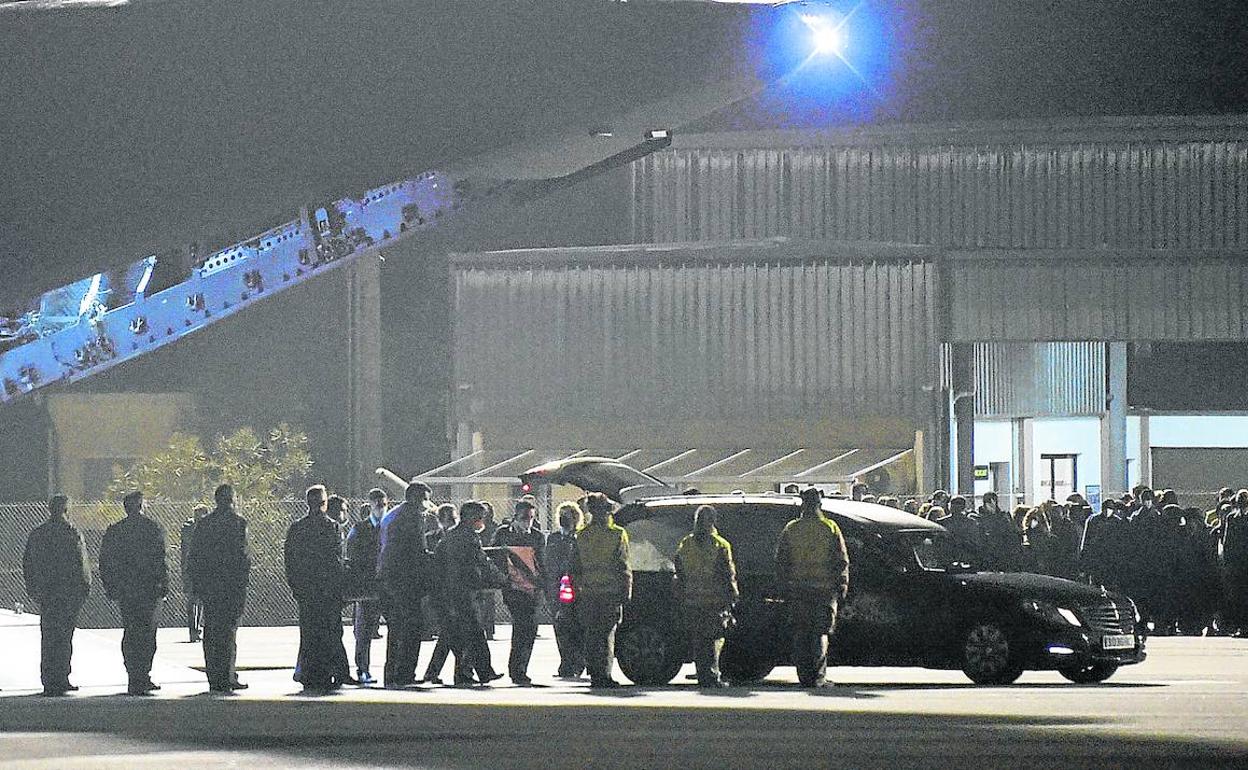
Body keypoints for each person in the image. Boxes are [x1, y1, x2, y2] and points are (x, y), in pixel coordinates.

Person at [775, 488, 850, 689]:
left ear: (802, 504)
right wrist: (842, 585)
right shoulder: (830, 527)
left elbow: (781, 561)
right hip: (823, 591)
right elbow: (841, 561)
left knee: (801, 634)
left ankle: (804, 676)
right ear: (819, 504)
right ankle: (818, 677)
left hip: (798, 590)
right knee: (819, 635)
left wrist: (783, 587)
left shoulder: (791, 529)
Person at [99, 491, 169, 695]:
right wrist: (163, 585)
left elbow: (106, 562)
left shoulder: (115, 531)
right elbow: (160, 559)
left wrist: (111, 586)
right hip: (149, 590)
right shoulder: (152, 528)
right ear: (141, 506)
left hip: (127, 591)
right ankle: (143, 673)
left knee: (130, 631)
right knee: (147, 633)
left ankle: (133, 674)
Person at [22, 495, 91, 696]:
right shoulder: (71, 533)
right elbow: (80, 563)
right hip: (68, 593)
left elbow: (28, 564)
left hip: (47, 593)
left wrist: (33, 589)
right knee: (64, 636)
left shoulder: (38, 534)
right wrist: (84, 587)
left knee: (49, 635)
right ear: (66, 510)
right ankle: (62, 676)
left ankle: (49, 678)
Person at [187, 484, 251, 693]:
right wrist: (242, 583)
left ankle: (214, 675)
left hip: (210, 586)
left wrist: (196, 584)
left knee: (211, 630)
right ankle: (227, 674)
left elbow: (195, 556)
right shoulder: (238, 523)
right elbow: (242, 558)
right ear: (232, 499)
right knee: (228, 631)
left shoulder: (205, 524)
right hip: (230, 586)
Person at [285, 485, 348, 693]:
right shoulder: (332, 527)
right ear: (325, 503)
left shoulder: (296, 529)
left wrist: (297, 587)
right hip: (327, 591)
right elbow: (336, 561)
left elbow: (291, 561)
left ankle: (309, 673)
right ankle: (331, 672)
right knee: (330, 632)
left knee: (309, 634)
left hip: (307, 591)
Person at [439, 501, 507, 686]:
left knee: (465, 635)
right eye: (480, 517)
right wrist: (501, 578)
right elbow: (481, 561)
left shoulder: (450, 536)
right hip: (464, 591)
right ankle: (480, 672)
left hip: (452, 591)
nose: (482, 521)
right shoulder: (468, 537)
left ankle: (471, 673)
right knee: (475, 633)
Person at [569, 493, 632, 689]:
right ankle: (603, 675)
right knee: (606, 636)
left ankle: (594, 672)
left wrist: (577, 591)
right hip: (610, 594)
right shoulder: (617, 534)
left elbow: (574, 567)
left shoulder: (581, 535)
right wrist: (626, 592)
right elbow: (623, 566)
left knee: (591, 635)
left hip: (588, 593)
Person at [376, 480, 434, 688]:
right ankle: (405, 672)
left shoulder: (392, 515)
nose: (427, 505)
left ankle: (391, 672)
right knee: (412, 626)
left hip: (387, 577)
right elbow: (418, 551)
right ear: (416, 499)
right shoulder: (412, 517)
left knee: (395, 628)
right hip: (405, 580)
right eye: (425, 500)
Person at [674, 505, 739, 688]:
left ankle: (703, 673)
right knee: (713, 639)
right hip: (714, 601)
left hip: (692, 599)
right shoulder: (720, 545)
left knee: (699, 640)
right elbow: (728, 574)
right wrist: (733, 596)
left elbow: (679, 571)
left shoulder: (686, 544)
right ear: (712, 521)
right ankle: (710, 676)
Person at [491, 498, 547, 685]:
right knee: (523, 626)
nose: (528, 521)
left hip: (532, 589)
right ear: (515, 517)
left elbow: (542, 562)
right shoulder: (503, 534)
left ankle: (520, 667)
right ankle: (517, 670)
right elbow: (496, 557)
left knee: (529, 630)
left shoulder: (537, 536)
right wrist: (504, 579)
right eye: (524, 517)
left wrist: (542, 585)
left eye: (531, 517)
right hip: (513, 589)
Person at [345, 489, 387, 685]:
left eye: (383, 504)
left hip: (387, 584)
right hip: (369, 586)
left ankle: (392, 669)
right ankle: (363, 669)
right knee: (364, 631)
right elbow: (353, 554)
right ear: (370, 505)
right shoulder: (360, 528)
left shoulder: (389, 527)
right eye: (377, 504)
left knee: (395, 628)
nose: (381, 508)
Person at [545, 501, 585, 679]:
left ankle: (578, 662)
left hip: (576, 588)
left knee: (576, 627)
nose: (564, 519)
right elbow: (549, 561)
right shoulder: (553, 538)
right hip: (556, 588)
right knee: (560, 627)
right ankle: (566, 663)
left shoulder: (581, 538)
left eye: (568, 516)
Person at [420, 504, 460, 684]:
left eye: (453, 519)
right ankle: (463, 672)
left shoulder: (458, 538)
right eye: (448, 520)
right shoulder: (432, 539)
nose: (451, 523)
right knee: (452, 632)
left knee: (450, 633)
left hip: (455, 591)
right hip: (440, 592)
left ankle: (435, 672)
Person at [974, 492, 1023, 571]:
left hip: (1002, 552)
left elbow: (1012, 532)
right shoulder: (977, 517)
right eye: (989, 501)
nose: (992, 504)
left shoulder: (1004, 516)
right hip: (987, 553)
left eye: (994, 501)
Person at [180, 505, 207, 642]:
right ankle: (194, 629)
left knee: (199, 601)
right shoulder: (190, 528)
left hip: (198, 568)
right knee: (194, 600)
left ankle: (196, 628)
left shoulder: (205, 528)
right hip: (195, 568)